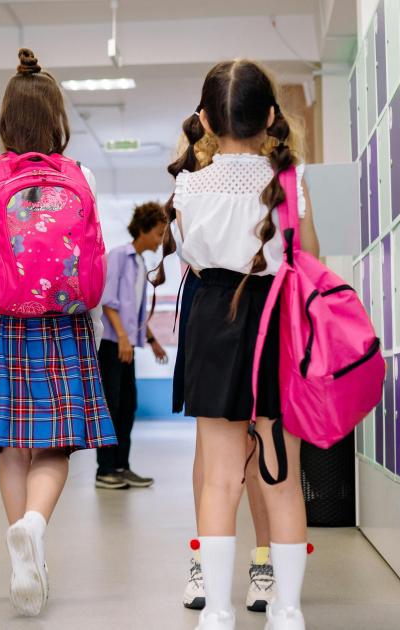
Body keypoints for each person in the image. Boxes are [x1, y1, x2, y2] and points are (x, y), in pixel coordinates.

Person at [0, 48, 115, 617]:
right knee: (57, 443)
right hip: (65, 321)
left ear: (5, 117)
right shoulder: (81, 175)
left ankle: (23, 555)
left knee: (13, 446)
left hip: (2, 320)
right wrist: (93, 323)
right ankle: (35, 528)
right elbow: (91, 257)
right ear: (57, 117)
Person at [164, 59, 320, 630]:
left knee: (219, 477)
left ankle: (217, 610)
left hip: (211, 322)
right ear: (271, 116)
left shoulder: (188, 185)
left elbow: (188, 255)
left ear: (205, 121)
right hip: (276, 323)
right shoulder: (288, 182)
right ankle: (288, 609)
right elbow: (307, 259)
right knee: (281, 476)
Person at [163, 156, 277, 615]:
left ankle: (265, 560)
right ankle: (204, 560)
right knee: (210, 450)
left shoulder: (272, 170)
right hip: (210, 298)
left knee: (260, 444)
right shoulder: (194, 176)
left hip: (264, 299)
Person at [94, 202, 169, 490]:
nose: (160, 240)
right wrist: (123, 338)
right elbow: (108, 300)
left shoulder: (139, 263)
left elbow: (134, 312)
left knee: (127, 406)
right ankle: (105, 470)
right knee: (111, 406)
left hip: (126, 345)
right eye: (159, 233)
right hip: (112, 344)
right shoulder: (119, 256)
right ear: (144, 229)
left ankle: (121, 466)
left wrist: (151, 340)